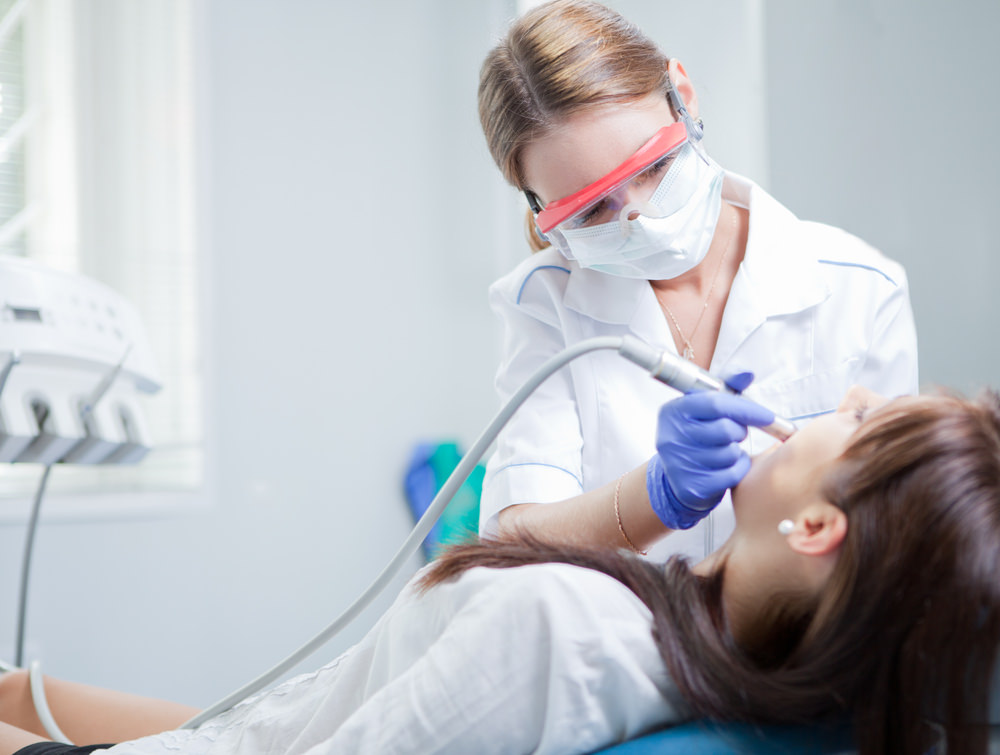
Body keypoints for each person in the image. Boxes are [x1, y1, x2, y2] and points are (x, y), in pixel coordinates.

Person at [0, 385, 997, 755]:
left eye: (866, 419)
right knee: (16, 686)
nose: (854, 390)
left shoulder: (563, 633)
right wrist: (649, 495)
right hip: (259, 724)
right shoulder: (693, 636)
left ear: (817, 523)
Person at [477, 0, 919, 561]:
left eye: (654, 167)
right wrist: (653, 496)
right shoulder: (544, 302)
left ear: (681, 98)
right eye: (590, 212)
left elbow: (898, 526)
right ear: (541, 208)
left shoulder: (862, 289)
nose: (641, 219)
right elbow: (513, 545)